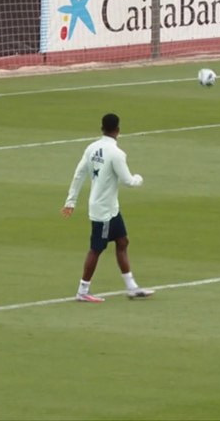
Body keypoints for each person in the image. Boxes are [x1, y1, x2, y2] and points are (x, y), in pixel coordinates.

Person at [61, 113, 153, 302]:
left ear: (102, 128)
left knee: (122, 241)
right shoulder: (116, 154)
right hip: (103, 210)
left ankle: (131, 287)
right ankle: (82, 291)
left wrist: (70, 202)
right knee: (96, 249)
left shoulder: (92, 148)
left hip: (111, 208)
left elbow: (79, 174)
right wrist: (139, 178)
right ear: (118, 130)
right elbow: (128, 181)